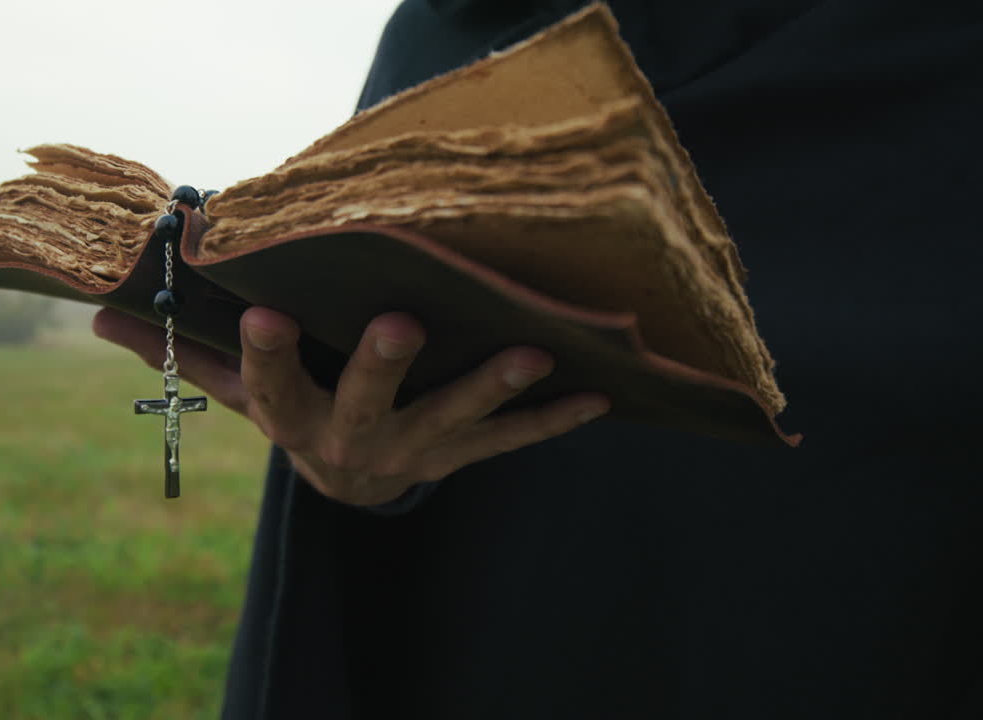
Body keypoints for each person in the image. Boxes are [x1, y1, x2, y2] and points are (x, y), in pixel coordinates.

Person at [95, 0, 983, 717]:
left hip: (856, 618)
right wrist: (347, 463)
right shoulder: (453, 28)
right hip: (481, 617)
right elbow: (386, 322)